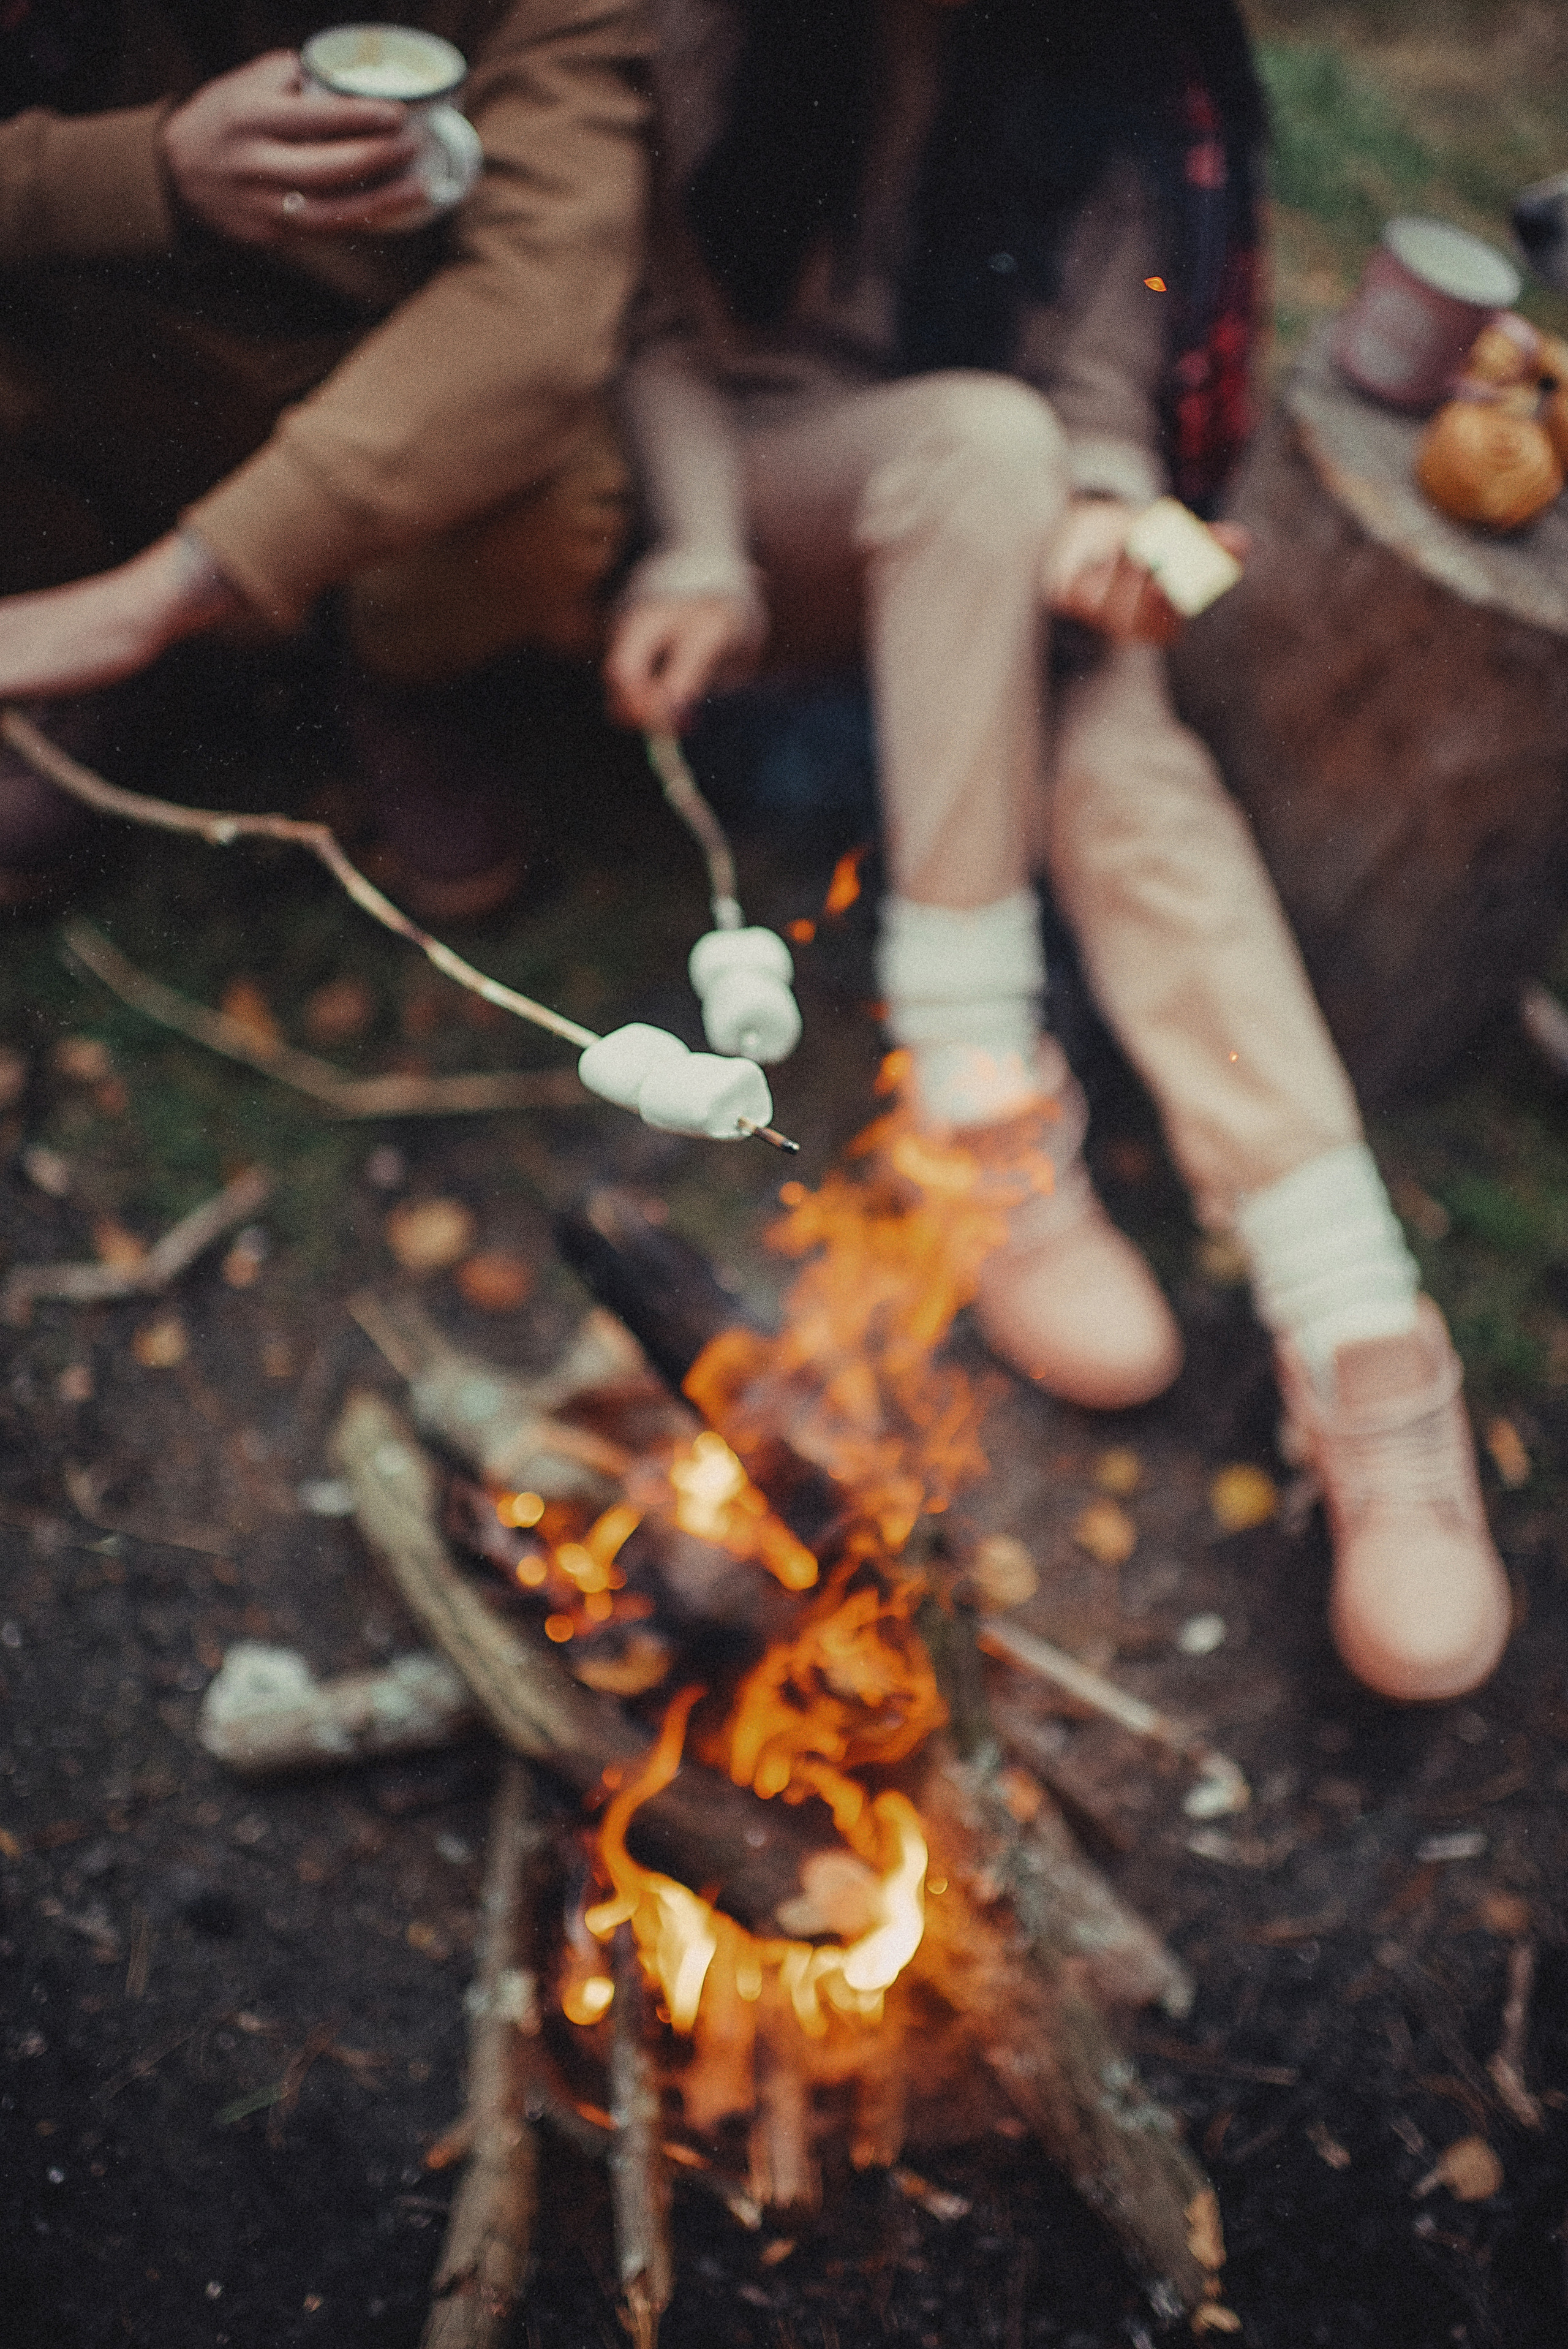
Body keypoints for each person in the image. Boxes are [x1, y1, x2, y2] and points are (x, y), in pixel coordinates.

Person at [603, 0, 1512, 1704]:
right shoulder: (703, 24)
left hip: (994, 540)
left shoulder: (1119, 58)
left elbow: (1099, 384)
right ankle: (972, 1102)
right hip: (758, 517)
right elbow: (631, 315)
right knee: (979, 453)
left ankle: (1358, 1328)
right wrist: (711, 548)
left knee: (1128, 771)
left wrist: (1108, 516)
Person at [0, 0, 651, 915]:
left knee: (554, 479)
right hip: (89, 354)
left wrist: (137, 607)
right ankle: (110, 674)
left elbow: (544, 310)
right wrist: (143, 170)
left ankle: (388, 678)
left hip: (371, 389)